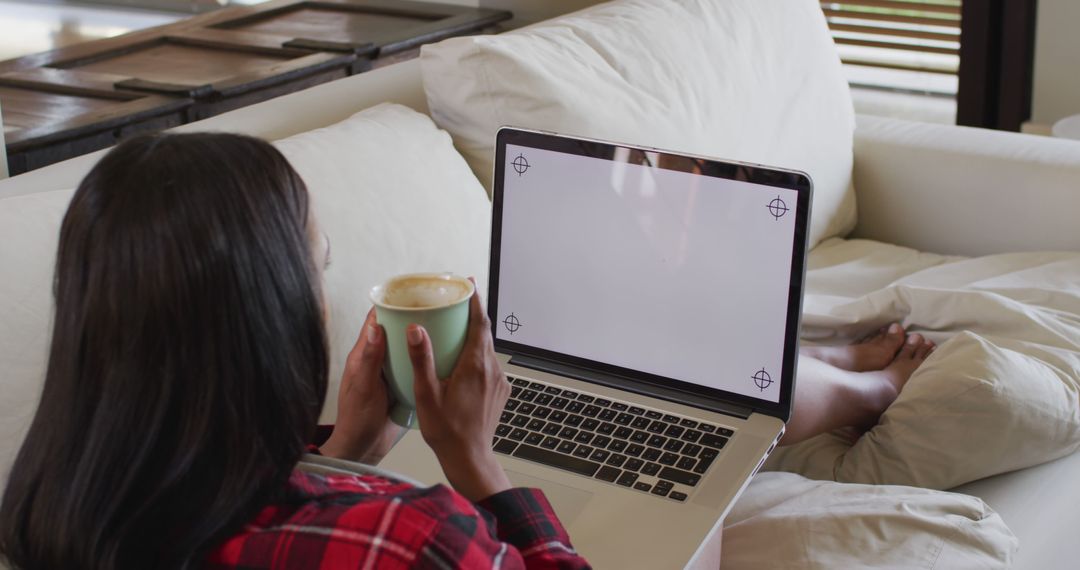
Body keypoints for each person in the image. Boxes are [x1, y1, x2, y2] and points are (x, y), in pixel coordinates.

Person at [0, 133, 934, 570]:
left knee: (716, 385)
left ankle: (846, 375)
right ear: (265, 319)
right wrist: (476, 466)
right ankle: (859, 386)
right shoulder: (411, 539)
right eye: (315, 269)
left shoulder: (50, 510)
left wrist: (350, 447)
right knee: (718, 421)